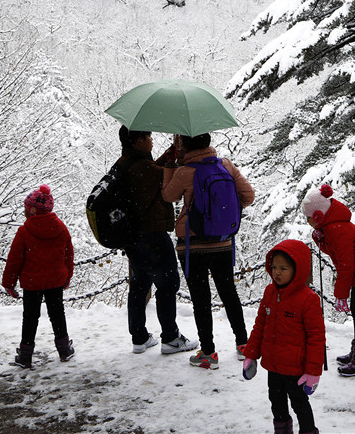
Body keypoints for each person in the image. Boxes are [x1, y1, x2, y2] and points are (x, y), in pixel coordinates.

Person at [162, 132, 255, 370]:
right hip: (222, 241)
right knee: (229, 292)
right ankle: (244, 345)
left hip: (192, 245)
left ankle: (209, 354)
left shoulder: (184, 172)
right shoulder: (225, 165)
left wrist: (170, 167)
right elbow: (249, 195)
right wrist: (222, 214)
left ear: (184, 145)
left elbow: (168, 196)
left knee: (201, 299)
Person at [118, 126, 198, 355]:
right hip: (152, 235)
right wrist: (179, 157)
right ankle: (171, 338)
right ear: (140, 140)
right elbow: (167, 177)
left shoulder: (127, 163)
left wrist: (172, 151)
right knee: (168, 284)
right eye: (149, 136)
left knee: (139, 284)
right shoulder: (142, 168)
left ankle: (139, 337)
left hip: (134, 236)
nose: (152, 140)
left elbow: (155, 168)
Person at [241, 239, 326, 434]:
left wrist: (314, 371)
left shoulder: (308, 299)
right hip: (273, 366)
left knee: (300, 404)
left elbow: (316, 337)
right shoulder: (270, 292)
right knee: (276, 402)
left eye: (283, 268)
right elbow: (260, 324)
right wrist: (251, 354)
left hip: (296, 369)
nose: (277, 272)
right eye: (274, 267)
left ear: (297, 270)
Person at [302, 184, 355, 376]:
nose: (306, 221)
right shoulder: (331, 226)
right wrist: (319, 237)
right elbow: (334, 252)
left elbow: (345, 265)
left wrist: (341, 294)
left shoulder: (338, 229)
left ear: (318, 216)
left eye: (308, 217)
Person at [2, 184, 75, 368]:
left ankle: (25, 355)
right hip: (55, 281)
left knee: (30, 317)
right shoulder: (61, 228)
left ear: (32, 210)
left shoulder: (24, 231)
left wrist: (9, 283)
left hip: (32, 282)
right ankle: (64, 349)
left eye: (26, 208)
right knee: (58, 314)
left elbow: (14, 259)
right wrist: (67, 277)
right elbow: (69, 255)